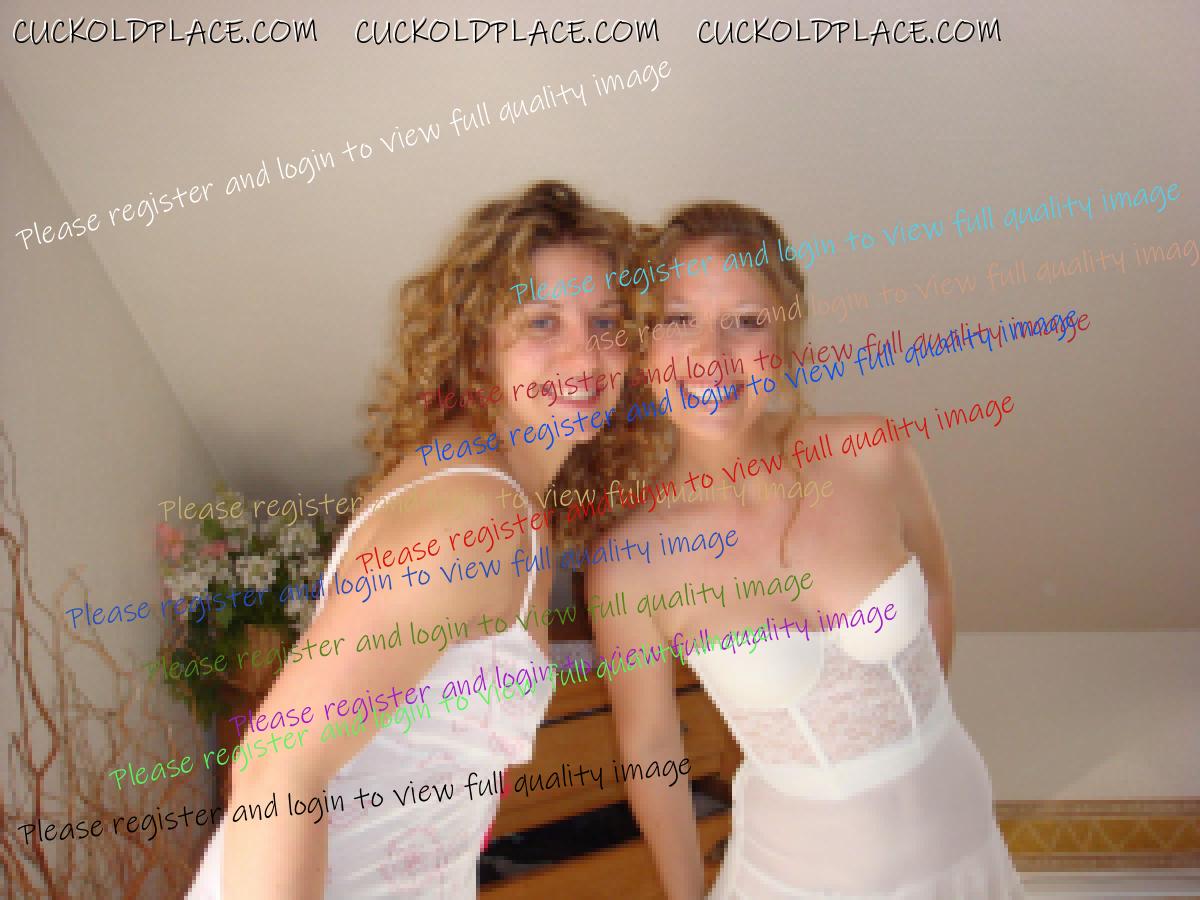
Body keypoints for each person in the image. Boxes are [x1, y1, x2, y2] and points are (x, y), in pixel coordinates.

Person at [186, 181, 651, 898]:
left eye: (606, 321)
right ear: (477, 343)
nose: (584, 355)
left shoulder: (504, 488)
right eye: (541, 321)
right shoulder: (471, 519)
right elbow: (276, 770)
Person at [585, 202, 1025, 898]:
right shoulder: (627, 564)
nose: (711, 355)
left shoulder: (873, 452)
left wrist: (908, 744)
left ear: (786, 337)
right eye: (680, 319)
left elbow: (937, 591)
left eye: (746, 321)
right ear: (643, 347)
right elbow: (651, 752)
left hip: (962, 845)